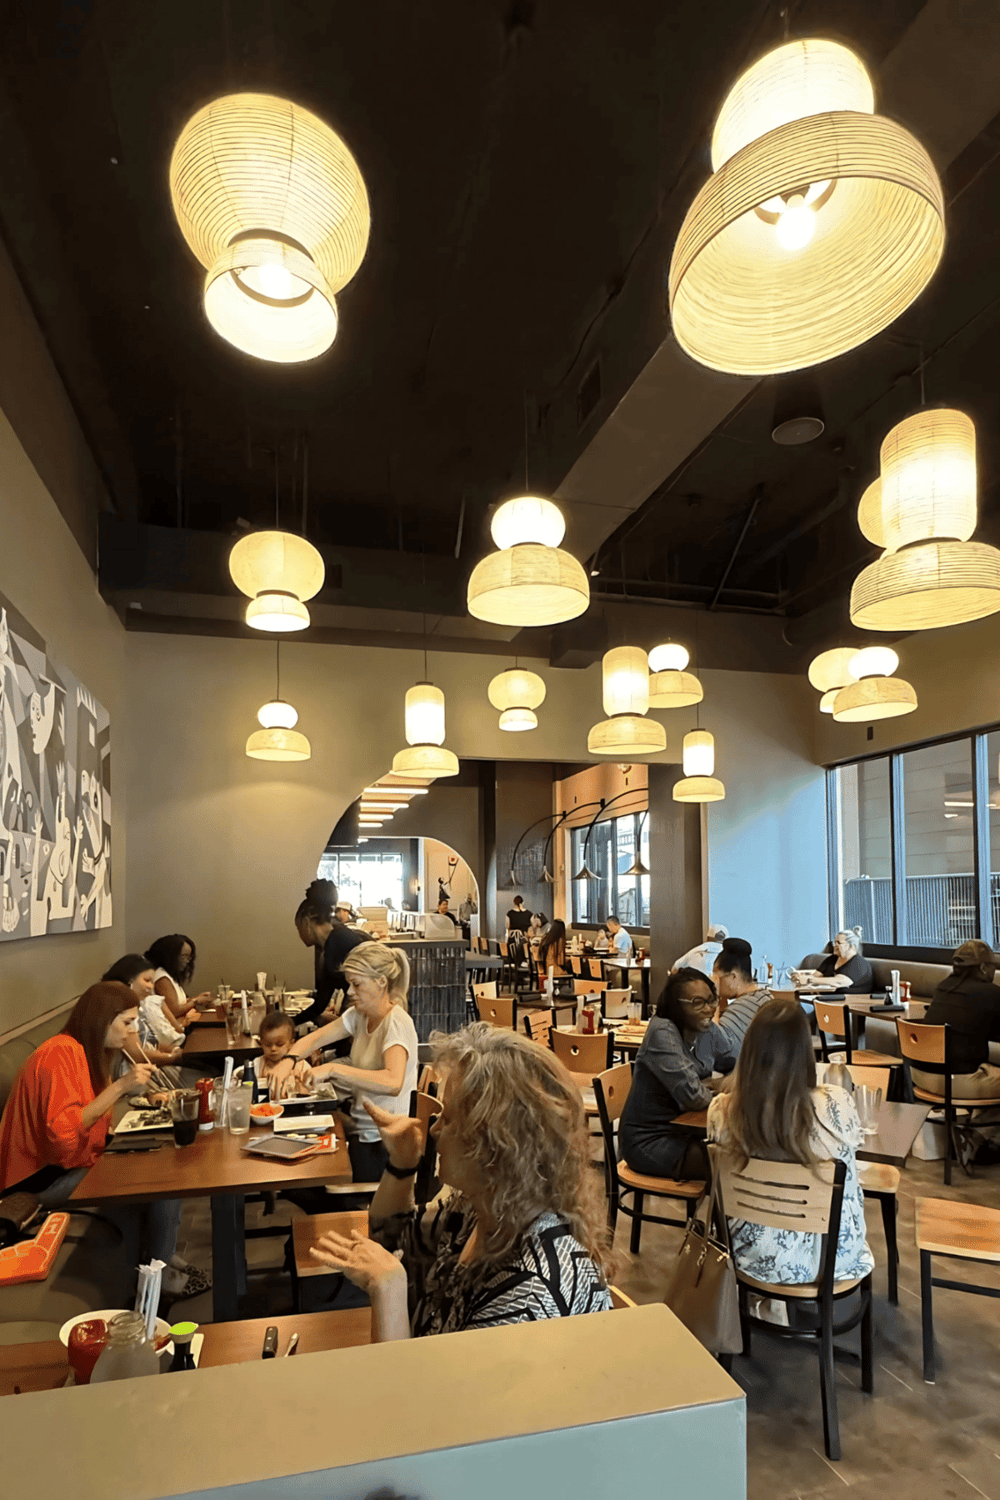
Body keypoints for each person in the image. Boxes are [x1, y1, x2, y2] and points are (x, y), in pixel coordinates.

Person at [308, 1023, 614, 1339]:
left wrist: (389, 1293)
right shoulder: (483, 1205)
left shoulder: (529, 1292)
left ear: (498, 1147)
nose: (436, 1129)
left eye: (450, 1119)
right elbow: (393, 1240)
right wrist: (403, 1163)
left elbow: (418, 1390)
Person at [0, 982, 206, 1299]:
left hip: (69, 1168)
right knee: (160, 1180)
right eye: (126, 1023)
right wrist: (121, 1086)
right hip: (38, 1184)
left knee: (164, 1164)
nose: (130, 1032)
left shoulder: (92, 1053)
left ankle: (162, 1257)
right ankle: (160, 1275)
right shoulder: (60, 1053)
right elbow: (64, 1139)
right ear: (102, 1019)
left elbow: (96, 1128)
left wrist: (144, 1097)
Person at [708, 997, 874, 1294]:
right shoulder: (836, 1104)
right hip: (831, 1256)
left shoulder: (722, 1111)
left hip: (752, 1254)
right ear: (805, 1051)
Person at [284, 942, 419, 1186]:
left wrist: (333, 1069)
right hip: (363, 1133)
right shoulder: (360, 1015)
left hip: (383, 1145)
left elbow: (393, 1082)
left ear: (381, 982)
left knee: (300, 1181)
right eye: (349, 983)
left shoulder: (396, 1023)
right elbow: (316, 1038)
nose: (349, 991)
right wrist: (288, 1059)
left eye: (356, 984)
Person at [618, 968, 738, 1181]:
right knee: (730, 1164)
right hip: (649, 1140)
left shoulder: (705, 1028)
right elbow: (694, 1097)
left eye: (712, 1000)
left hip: (687, 1127)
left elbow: (737, 1061)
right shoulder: (662, 1033)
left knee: (745, 1152)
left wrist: (721, 1083)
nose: (709, 1009)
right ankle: (721, 1214)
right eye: (698, 1002)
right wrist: (720, 1087)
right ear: (676, 1005)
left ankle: (722, 1214)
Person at [912, 939, 1000, 1112]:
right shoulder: (990, 993)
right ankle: (982, 1134)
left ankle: (976, 1134)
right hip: (955, 1081)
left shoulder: (942, 988)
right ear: (983, 968)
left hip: (920, 1076)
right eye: (993, 966)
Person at [295, 878, 374, 1027]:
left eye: (298, 928)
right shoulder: (327, 945)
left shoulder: (342, 940)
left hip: (373, 1017)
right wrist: (288, 1023)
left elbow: (366, 990)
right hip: (362, 1017)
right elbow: (320, 1005)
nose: (300, 935)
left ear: (306, 922)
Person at [101, 954, 183, 1071]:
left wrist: (172, 1049)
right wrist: (173, 1057)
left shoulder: (138, 1006)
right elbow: (137, 1055)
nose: (151, 987)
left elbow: (149, 1041)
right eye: (147, 980)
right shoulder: (121, 1009)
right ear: (129, 979)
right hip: (134, 1075)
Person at [145, 934, 213, 1031]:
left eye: (189, 957)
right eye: (183, 957)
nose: (187, 962)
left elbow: (178, 1003)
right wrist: (195, 1001)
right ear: (170, 956)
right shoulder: (161, 977)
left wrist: (198, 999)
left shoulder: (170, 976)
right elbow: (175, 1010)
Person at [713, 938, 770, 1048]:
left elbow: (716, 1046)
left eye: (717, 977)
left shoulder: (741, 1008)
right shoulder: (764, 996)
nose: (716, 983)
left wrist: (713, 997)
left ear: (733, 976)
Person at [249, 1011, 312, 1097]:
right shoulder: (258, 1064)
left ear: (291, 1044)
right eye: (267, 1045)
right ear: (261, 1043)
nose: (273, 1049)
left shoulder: (302, 1066)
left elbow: (312, 1090)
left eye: (279, 1044)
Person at [810, 929, 873, 994]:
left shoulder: (860, 964)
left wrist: (812, 980)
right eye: (835, 942)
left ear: (852, 946)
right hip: (826, 998)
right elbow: (816, 975)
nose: (834, 945)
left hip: (849, 1001)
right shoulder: (832, 959)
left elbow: (838, 981)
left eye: (839, 943)